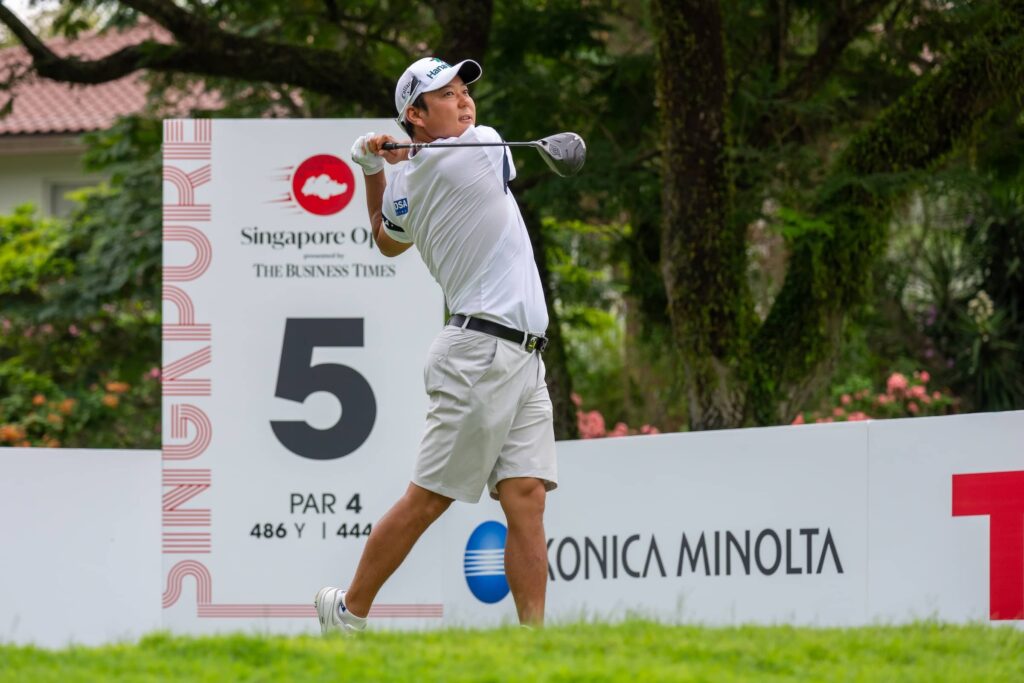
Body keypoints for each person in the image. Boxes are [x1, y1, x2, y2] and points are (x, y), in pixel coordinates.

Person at [314, 57, 557, 633]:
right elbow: (396, 227)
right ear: (415, 115)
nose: (465, 100)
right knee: (429, 498)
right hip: (480, 354)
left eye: (464, 90)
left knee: (525, 495)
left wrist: (372, 168)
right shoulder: (484, 145)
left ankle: (536, 645)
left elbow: (384, 238)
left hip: (523, 355)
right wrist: (392, 161)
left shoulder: (407, 182)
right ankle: (349, 612)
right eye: (446, 95)